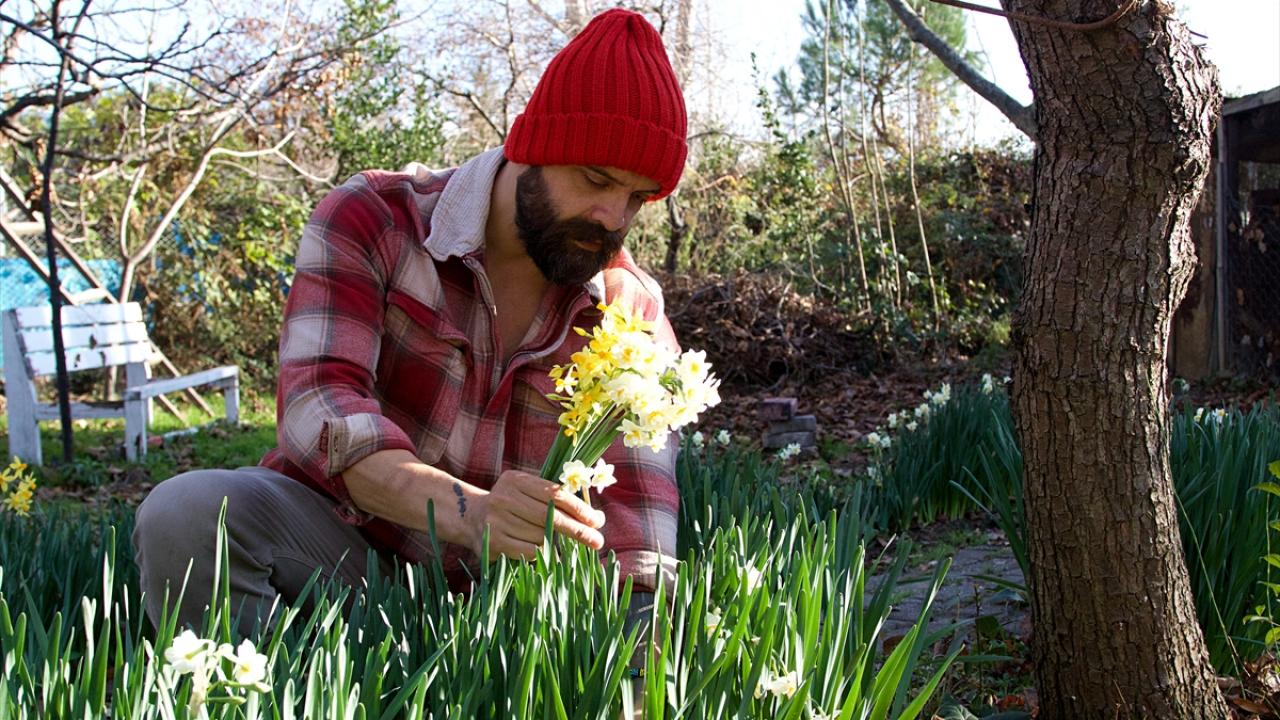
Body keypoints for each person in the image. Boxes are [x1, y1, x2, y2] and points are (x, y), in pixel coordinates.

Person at [133, 7, 686, 644]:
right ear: (532, 148)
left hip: (496, 606)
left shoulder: (627, 308)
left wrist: (639, 664)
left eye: (637, 197)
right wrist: (470, 512)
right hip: (344, 547)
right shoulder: (375, 220)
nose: (613, 217)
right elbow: (320, 411)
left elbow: (639, 519)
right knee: (189, 512)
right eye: (595, 179)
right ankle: (271, 683)